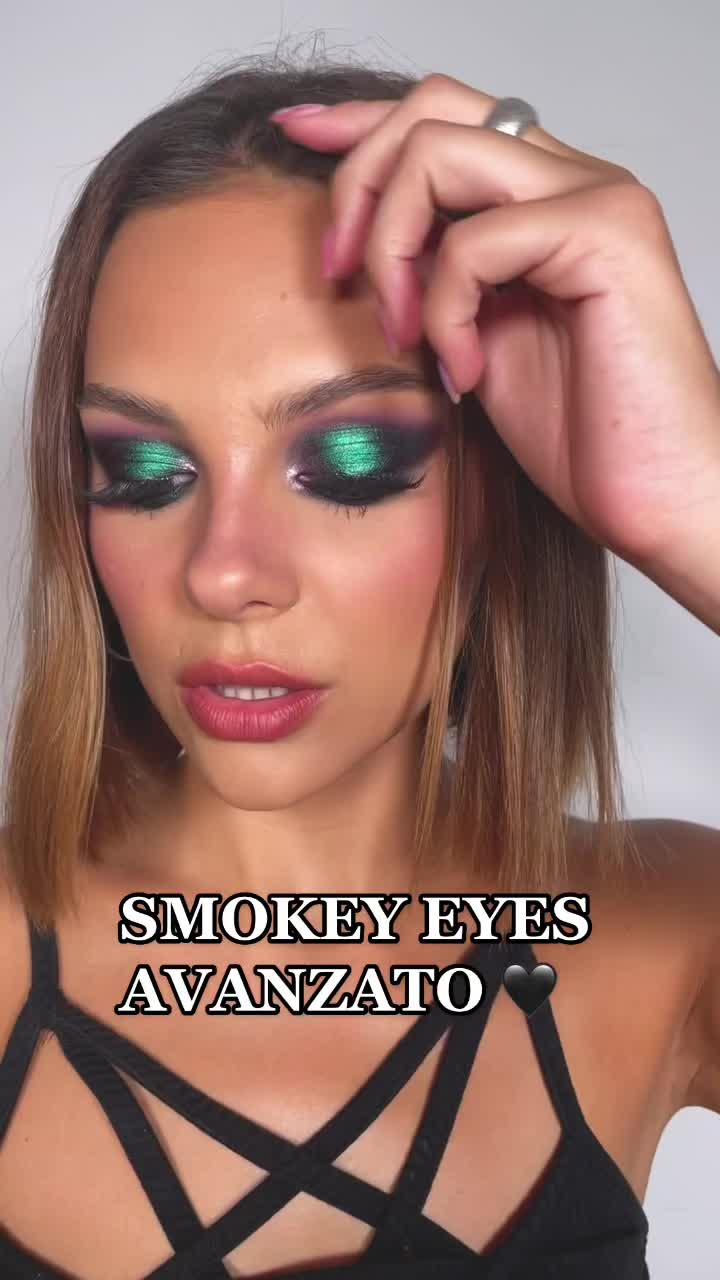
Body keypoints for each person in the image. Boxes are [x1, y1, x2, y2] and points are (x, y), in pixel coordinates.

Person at [0, 53, 718, 1280]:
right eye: (145, 472)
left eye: (348, 462)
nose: (224, 574)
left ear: (498, 488)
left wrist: (697, 511)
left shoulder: (669, 932)